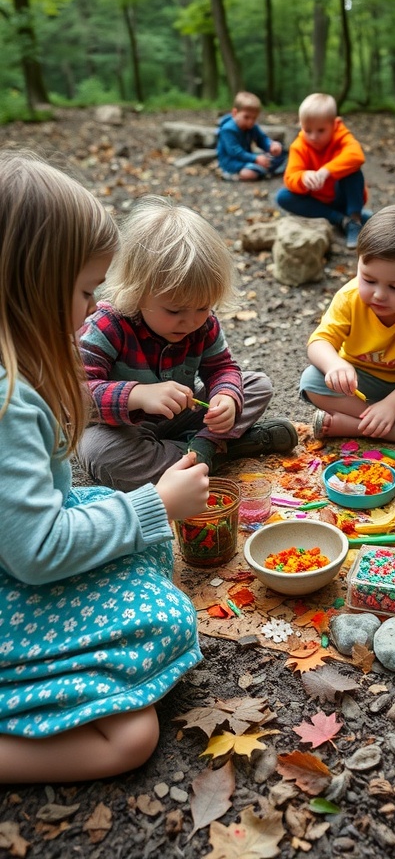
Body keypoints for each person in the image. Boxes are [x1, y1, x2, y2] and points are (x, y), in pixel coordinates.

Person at [0, 152, 212, 783]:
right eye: (86, 291)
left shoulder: (23, 365)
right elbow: (36, 551)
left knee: (141, 543)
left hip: (24, 547)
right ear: (31, 285)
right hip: (21, 572)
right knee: (133, 733)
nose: (93, 307)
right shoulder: (9, 401)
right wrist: (156, 504)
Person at [77, 196, 297, 492]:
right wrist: (137, 395)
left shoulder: (202, 323)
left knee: (257, 386)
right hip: (120, 428)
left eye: (203, 307)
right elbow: (77, 393)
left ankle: (201, 449)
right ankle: (223, 450)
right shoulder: (107, 325)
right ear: (137, 292)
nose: (191, 321)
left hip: (180, 416)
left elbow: (222, 368)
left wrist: (225, 398)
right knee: (102, 455)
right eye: (174, 311)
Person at [301, 204, 395, 443]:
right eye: (369, 280)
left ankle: (352, 426)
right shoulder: (349, 297)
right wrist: (334, 365)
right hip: (358, 381)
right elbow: (319, 342)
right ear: (359, 263)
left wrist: (391, 405)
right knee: (311, 380)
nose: (379, 295)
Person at [276, 92, 370, 250]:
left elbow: (356, 156)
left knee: (353, 171)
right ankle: (341, 220)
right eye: (308, 130)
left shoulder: (342, 136)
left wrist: (327, 171)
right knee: (283, 196)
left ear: (334, 124)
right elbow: (290, 177)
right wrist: (303, 178)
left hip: (342, 196)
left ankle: (355, 219)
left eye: (321, 130)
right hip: (317, 200)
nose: (313, 136)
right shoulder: (299, 146)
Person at [217, 90, 287, 182]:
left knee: (282, 153)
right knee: (248, 173)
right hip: (232, 162)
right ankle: (235, 174)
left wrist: (271, 145)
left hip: (248, 158)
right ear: (235, 113)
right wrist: (255, 158)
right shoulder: (228, 130)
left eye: (254, 118)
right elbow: (235, 152)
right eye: (246, 117)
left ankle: (263, 169)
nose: (250, 121)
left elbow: (261, 139)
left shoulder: (252, 126)